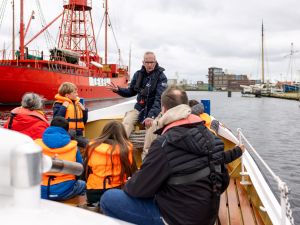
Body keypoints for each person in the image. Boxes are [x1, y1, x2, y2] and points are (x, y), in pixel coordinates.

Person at [100, 86, 244, 225]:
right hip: (207, 217)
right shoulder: (212, 138)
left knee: (108, 198)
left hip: (176, 219)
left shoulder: (164, 144)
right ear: (186, 107)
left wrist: (130, 182)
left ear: (163, 110)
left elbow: (138, 189)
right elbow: (223, 182)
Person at [107, 51, 168, 138]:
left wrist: (151, 116)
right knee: (127, 121)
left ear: (155, 62)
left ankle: (146, 152)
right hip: (140, 108)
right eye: (147, 62)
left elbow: (159, 99)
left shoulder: (161, 77)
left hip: (154, 110)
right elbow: (131, 91)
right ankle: (121, 146)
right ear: (143, 62)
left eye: (152, 62)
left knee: (152, 126)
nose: (149, 65)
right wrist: (118, 90)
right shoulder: (138, 74)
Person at [83, 120, 137, 205]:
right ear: (122, 133)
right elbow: (133, 174)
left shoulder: (92, 147)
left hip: (93, 193)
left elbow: (85, 172)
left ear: (105, 132)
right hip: (115, 193)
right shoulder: (126, 150)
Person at [35, 116, 86, 201]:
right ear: (67, 131)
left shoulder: (36, 144)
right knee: (83, 184)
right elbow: (79, 171)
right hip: (63, 192)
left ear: (50, 127)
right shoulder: (73, 147)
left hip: (40, 191)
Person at [53, 82, 88, 147]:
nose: (77, 94)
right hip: (65, 135)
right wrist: (63, 108)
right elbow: (56, 121)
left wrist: (84, 111)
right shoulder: (59, 105)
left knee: (87, 144)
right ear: (67, 95)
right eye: (74, 93)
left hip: (79, 134)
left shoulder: (78, 104)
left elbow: (84, 121)